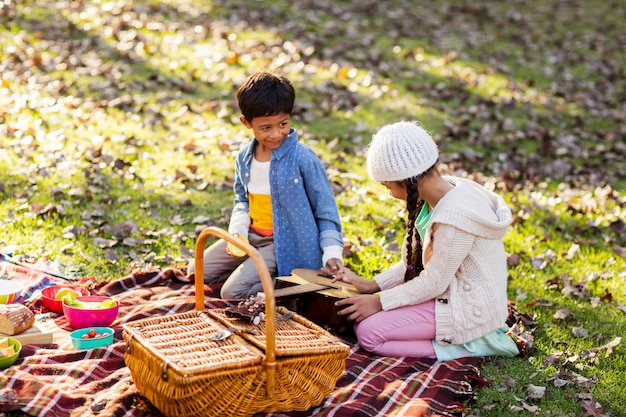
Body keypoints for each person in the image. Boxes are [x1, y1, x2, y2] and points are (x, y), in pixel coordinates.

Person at [333, 121, 520, 360]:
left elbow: (434, 283)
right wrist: (374, 285)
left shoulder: (455, 216)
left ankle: (472, 343)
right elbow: (417, 264)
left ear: (406, 180)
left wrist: (379, 302)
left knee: (368, 334)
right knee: (362, 318)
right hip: (447, 290)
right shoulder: (433, 196)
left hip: (466, 305)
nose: (388, 193)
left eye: (387, 186)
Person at [189, 71, 344, 299]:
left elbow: (326, 212)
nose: (276, 133)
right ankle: (253, 271)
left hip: (284, 243)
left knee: (232, 293)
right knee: (196, 271)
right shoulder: (245, 157)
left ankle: (289, 287)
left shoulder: (303, 159)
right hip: (251, 236)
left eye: (283, 123)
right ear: (246, 123)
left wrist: (332, 251)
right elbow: (241, 200)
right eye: (266, 127)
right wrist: (238, 231)